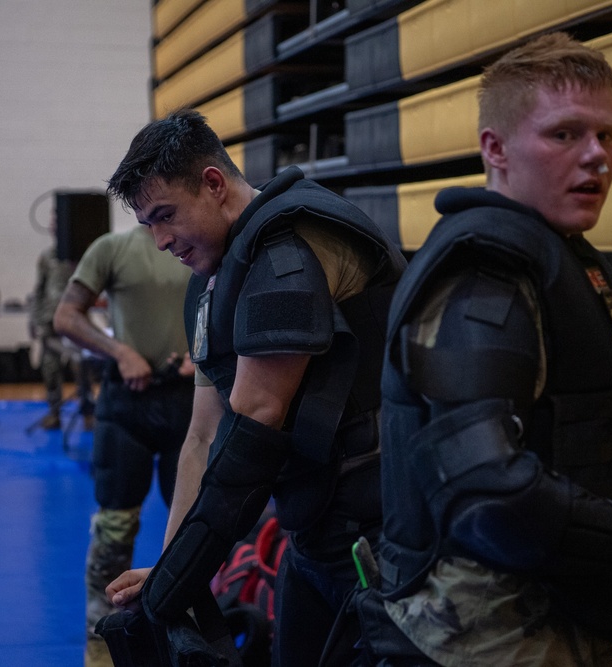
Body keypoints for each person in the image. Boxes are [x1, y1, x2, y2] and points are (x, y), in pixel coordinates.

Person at [368, 32, 612, 666]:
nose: (598, 157)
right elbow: (483, 493)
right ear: (494, 149)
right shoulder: (484, 275)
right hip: (479, 632)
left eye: (607, 135)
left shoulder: (556, 252)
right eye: (565, 135)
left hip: (552, 596)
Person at [103, 109, 408, 666]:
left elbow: (250, 431)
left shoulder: (287, 252)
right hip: (314, 530)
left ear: (214, 184)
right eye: (148, 223)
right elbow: (202, 433)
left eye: (166, 215)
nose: (160, 240)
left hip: (386, 538)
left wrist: (174, 583)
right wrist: (174, 564)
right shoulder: (214, 275)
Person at [53, 223, 195, 667]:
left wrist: (207, 350)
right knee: (113, 530)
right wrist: (119, 351)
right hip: (125, 406)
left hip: (189, 402)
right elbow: (66, 316)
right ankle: (100, 639)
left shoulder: (196, 244)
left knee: (194, 530)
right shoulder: (110, 248)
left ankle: (189, 630)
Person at [29, 217, 95, 430]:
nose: (53, 226)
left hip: (77, 318)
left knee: (82, 367)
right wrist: (34, 319)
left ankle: (88, 412)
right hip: (49, 320)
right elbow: (39, 289)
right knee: (50, 368)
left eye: (58, 222)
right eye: (52, 223)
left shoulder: (82, 255)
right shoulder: (46, 257)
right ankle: (54, 412)